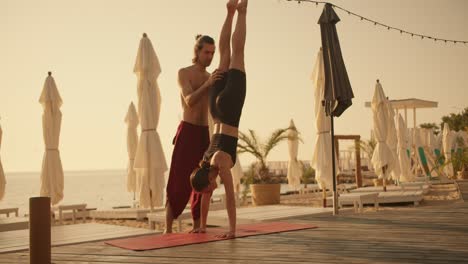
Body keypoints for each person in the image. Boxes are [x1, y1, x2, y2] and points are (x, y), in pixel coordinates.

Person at [190, 0, 248, 239]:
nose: (209, 192)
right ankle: (230, 12)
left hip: (230, 108)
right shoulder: (204, 161)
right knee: (225, 52)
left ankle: (242, 12)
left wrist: (232, 230)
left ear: (208, 180)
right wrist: (201, 225)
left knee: (238, 52)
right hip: (216, 109)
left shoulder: (219, 163)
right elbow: (204, 196)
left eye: (208, 188)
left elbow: (231, 199)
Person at [164, 34, 225, 234]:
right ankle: (167, 228)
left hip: (204, 133)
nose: (209, 56)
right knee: (178, 178)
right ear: (197, 52)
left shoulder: (211, 78)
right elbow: (189, 99)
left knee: (202, 177)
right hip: (188, 129)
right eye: (206, 52)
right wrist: (208, 85)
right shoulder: (184, 73)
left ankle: (198, 226)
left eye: (212, 53)